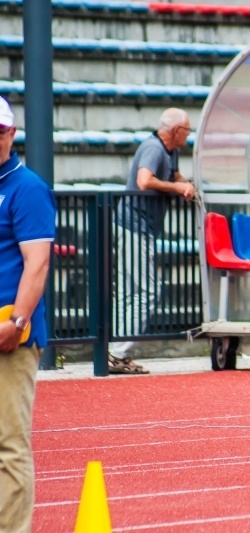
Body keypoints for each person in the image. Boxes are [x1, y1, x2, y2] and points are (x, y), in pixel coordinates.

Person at [0, 96, 56, 532]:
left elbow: (36, 263)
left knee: (9, 443)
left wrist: (17, 323)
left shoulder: (27, 187)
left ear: (11, 134)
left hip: (8, 331)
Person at [109, 108, 195, 374]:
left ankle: (117, 352)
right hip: (134, 225)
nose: (189, 136)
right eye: (187, 130)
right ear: (175, 131)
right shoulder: (154, 148)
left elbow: (175, 174)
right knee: (147, 290)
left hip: (137, 226)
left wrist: (185, 183)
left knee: (127, 290)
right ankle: (118, 351)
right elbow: (144, 181)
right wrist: (178, 188)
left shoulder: (171, 151)